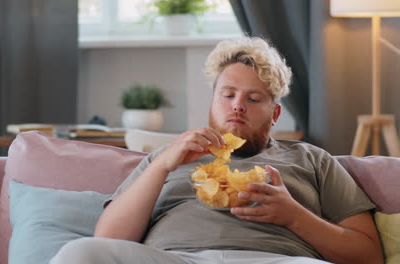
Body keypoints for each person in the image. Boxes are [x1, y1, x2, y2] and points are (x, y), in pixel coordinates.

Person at [50, 36, 383, 264]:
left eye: (254, 99)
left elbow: (369, 255)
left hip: (276, 260)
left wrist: (294, 216)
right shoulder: (165, 160)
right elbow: (108, 237)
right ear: (212, 102)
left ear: (275, 114)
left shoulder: (312, 159)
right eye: (228, 94)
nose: (238, 106)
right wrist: (162, 166)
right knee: (79, 254)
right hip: (175, 259)